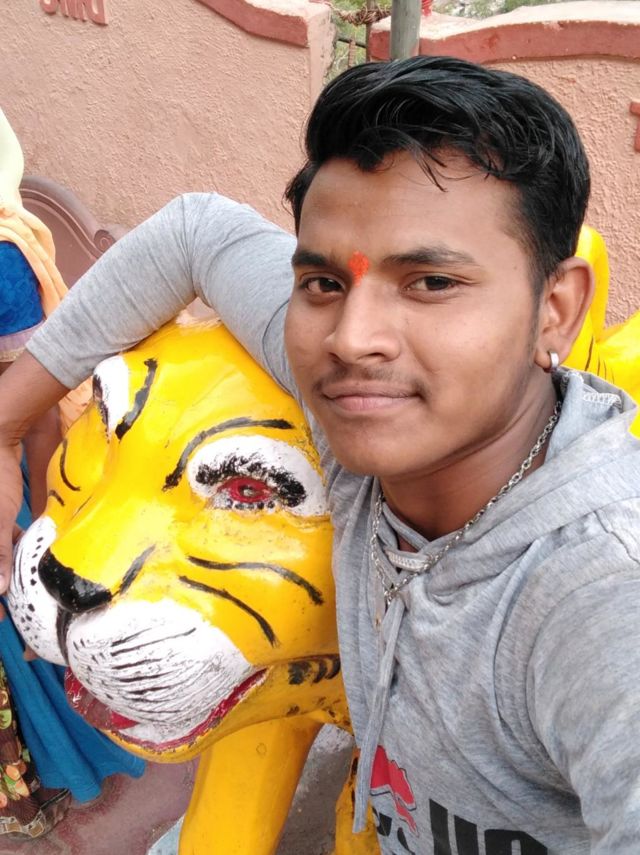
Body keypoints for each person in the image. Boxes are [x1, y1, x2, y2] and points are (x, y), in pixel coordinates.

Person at [0, 56, 639, 853]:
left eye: (431, 282)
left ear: (557, 308)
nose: (352, 340)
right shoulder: (358, 425)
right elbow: (197, 231)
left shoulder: (600, 602)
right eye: (323, 282)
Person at [0, 109, 145, 839]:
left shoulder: (4, 261)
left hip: (5, 485)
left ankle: (65, 768)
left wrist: (34, 527)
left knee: (24, 637)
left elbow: (33, 416)